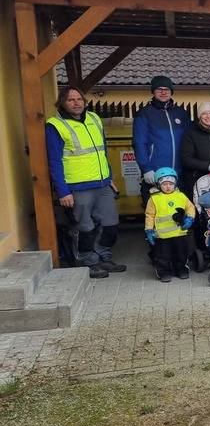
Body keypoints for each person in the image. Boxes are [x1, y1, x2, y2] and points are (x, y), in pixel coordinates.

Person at [45, 86, 126, 278]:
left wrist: (110, 178)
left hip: (102, 184)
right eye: (71, 100)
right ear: (62, 103)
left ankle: (104, 257)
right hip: (77, 186)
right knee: (85, 227)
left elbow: (102, 152)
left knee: (111, 223)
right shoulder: (55, 126)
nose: (76, 103)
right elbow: (54, 161)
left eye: (79, 99)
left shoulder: (94, 119)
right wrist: (62, 191)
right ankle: (89, 261)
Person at [132, 75, 191, 204]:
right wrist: (146, 169)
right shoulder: (145, 114)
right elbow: (139, 143)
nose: (163, 92)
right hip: (156, 174)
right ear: (153, 92)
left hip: (180, 174)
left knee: (182, 213)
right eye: (159, 89)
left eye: (167, 89)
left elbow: (190, 141)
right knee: (157, 214)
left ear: (171, 92)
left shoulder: (181, 113)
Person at [144, 167, 195, 282]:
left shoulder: (181, 196)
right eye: (164, 184)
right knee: (163, 256)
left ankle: (181, 269)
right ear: (158, 185)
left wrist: (190, 218)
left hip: (179, 232)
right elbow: (149, 215)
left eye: (171, 184)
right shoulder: (154, 199)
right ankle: (163, 272)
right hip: (162, 236)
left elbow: (190, 207)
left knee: (181, 253)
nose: (168, 187)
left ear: (175, 183)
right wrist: (149, 230)